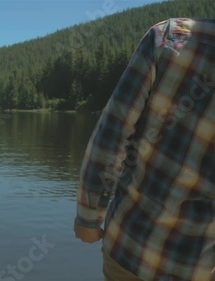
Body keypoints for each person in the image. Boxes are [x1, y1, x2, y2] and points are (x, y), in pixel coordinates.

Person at [74, 18, 214, 281]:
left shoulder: (167, 38)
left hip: (131, 251)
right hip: (198, 267)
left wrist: (89, 217)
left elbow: (112, 135)